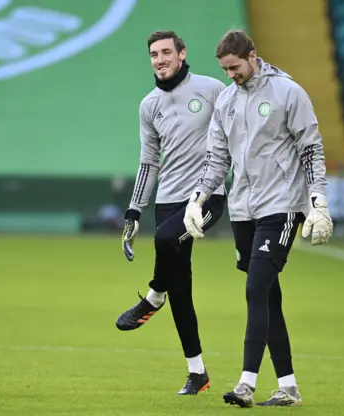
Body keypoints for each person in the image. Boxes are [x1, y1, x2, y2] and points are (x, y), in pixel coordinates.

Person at [183, 30, 333, 407]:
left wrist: (318, 201)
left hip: (281, 207)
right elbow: (217, 159)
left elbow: (311, 148)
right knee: (268, 297)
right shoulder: (226, 101)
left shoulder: (288, 92)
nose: (230, 74)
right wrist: (197, 199)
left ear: (252, 57)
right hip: (242, 211)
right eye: (224, 69)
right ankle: (289, 388)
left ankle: (246, 384)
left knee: (255, 291)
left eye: (234, 67)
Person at [115, 30, 228, 395]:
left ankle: (153, 296)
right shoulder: (149, 105)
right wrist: (134, 209)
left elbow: (237, 134)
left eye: (166, 52)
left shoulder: (211, 89)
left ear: (182, 54)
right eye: (153, 54)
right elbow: (149, 162)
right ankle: (198, 374)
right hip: (168, 199)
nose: (159, 59)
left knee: (165, 239)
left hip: (208, 197)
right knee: (182, 286)